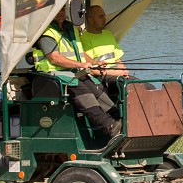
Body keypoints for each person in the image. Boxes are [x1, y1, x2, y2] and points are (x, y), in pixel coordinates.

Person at [31, 11, 121, 139]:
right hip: (53, 74)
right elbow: (54, 58)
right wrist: (80, 65)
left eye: (62, 9)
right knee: (83, 92)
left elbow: (81, 52)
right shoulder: (47, 32)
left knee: (97, 88)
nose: (60, 13)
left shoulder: (70, 28)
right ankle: (110, 126)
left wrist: (95, 63)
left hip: (72, 72)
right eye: (57, 10)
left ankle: (119, 119)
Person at [77, 5, 130, 81]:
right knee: (126, 85)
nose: (104, 19)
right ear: (90, 20)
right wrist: (115, 73)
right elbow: (90, 69)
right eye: (100, 17)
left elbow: (118, 60)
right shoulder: (84, 39)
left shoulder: (108, 34)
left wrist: (123, 71)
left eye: (104, 16)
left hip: (118, 74)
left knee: (147, 86)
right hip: (102, 76)